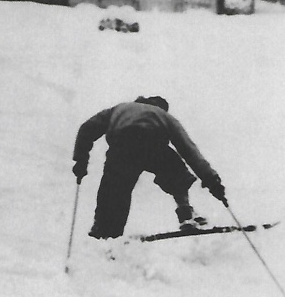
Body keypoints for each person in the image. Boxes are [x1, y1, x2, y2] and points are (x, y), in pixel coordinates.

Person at [72, 95, 226, 239]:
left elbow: (86, 129)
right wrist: (212, 180)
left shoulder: (119, 108)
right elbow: (189, 150)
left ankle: (104, 231)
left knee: (114, 190)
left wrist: (81, 160)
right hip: (152, 144)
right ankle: (186, 213)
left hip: (122, 146)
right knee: (177, 171)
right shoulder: (164, 116)